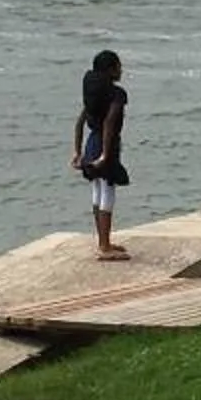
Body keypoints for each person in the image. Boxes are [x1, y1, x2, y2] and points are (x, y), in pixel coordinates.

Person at [72, 48, 130, 258]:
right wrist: (106, 154)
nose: (121, 70)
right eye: (118, 66)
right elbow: (109, 123)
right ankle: (105, 246)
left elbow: (79, 122)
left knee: (97, 191)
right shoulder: (116, 94)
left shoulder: (94, 94)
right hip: (105, 144)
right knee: (108, 192)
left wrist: (77, 152)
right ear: (110, 70)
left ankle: (103, 242)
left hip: (90, 143)